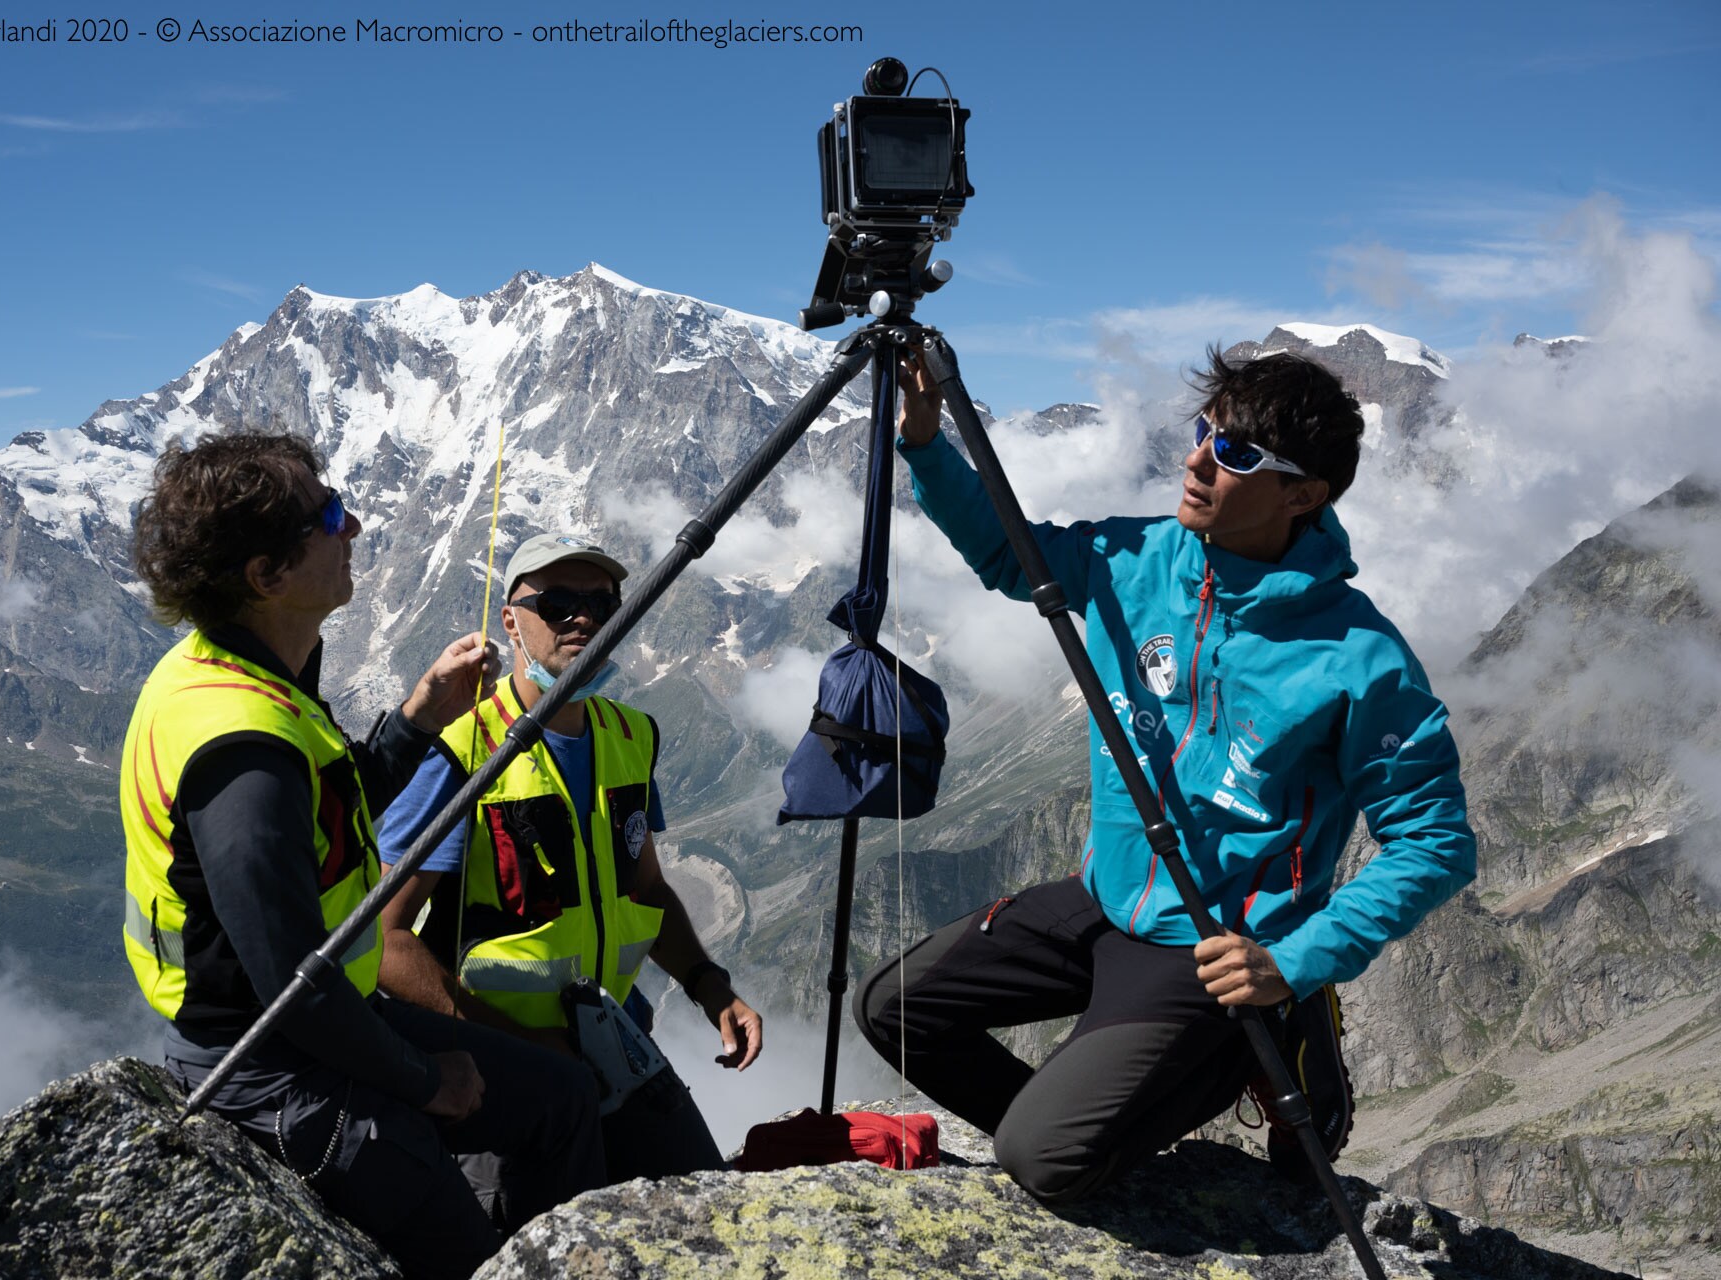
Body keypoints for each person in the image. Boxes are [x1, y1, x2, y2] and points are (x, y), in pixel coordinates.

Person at [853, 346, 1477, 1207]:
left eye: (1235, 454)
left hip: (1219, 946)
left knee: (1041, 1161)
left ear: (1303, 495)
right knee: (894, 1009)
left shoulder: (1358, 659)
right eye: (1203, 434)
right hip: (1112, 896)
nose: (1196, 461)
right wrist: (926, 443)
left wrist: (1294, 961)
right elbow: (1011, 558)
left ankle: (1258, 1033)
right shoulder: (1135, 560)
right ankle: (1069, 1130)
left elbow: (1436, 842)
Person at [121, 433, 606, 1280]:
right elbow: (286, 987)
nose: (354, 526)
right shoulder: (241, 749)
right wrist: (424, 1081)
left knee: (563, 1101)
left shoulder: (242, 668)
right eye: (330, 516)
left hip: (321, 1027)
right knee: (469, 1261)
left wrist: (415, 722)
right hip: (276, 1072)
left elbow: (328, 830)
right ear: (267, 576)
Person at [374, 532, 763, 1188]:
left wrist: (707, 984)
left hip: (616, 1046)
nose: (583, 617)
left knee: (703, 1211)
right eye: (557, 602)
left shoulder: (629, 736)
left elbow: (646, 890)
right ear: (510, 624)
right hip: (505, 1084)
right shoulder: (461, 754)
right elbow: (381, 939)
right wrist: (514, 1050)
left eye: (601, 604)